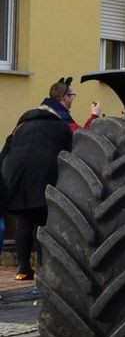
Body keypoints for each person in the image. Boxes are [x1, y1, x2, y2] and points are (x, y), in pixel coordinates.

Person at [1, 81, 77, 281]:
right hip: (43, 179)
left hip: (15, 180)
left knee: (24, 222)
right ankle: (44, 271)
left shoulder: (21, 126)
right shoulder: (61, 128)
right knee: (45, 223)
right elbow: (71, 157)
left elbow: (4, 154)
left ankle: (23, 269)